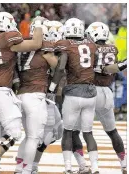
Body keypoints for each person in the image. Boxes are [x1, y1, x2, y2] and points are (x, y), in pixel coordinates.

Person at [0, 12, 45, 174]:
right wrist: (38, 23)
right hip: (0, 92)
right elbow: (36, 44)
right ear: (9, 25)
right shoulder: (8, 38)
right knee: (14, 133)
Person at [74, 22, 127, 174]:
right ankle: (124, 165)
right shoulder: (113, 49)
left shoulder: (89, 48)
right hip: (107, 92)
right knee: (112, 131)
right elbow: (110, 68)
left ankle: (91, 167)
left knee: (80, 132)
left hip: (90, 91)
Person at [48, 18, 98, 174]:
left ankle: (68, 167)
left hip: (74, 93)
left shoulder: (66, 45)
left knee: (68, 131)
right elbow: (94, 65)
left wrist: (52, 88)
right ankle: (95, 168)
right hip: (91, 93)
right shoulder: (91, 45)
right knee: (88, 132)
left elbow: (61, 67)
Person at [13, 21, 59, 174]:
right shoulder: (44, 45)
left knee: (28, 137)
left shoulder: (22, 45)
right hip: (36, 95)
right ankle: (26, 170)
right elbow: (56, 66)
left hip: (21, 94)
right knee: (34, 137)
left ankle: (19, 168)